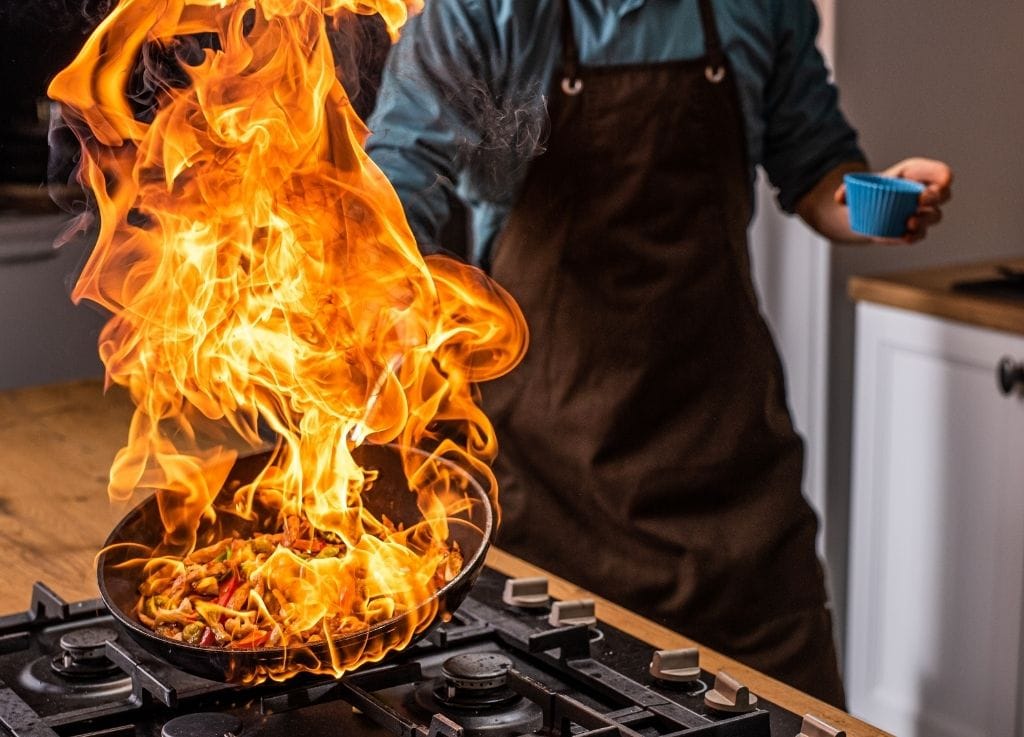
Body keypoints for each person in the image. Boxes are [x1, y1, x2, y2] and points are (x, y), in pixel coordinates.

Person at [365, 0, 952, 707]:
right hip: (551, 494)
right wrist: (376, 294)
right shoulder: (485, 13)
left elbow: (819, 169)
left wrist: (880, 202)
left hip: (734, 487)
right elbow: (399, 183)